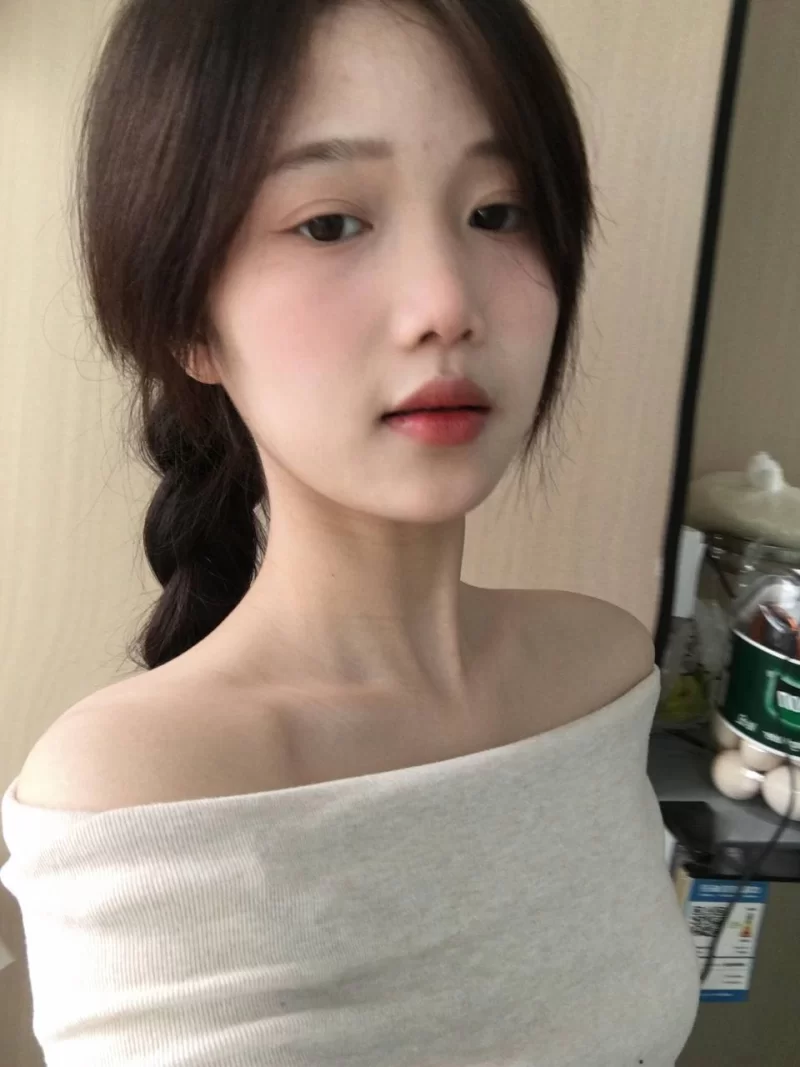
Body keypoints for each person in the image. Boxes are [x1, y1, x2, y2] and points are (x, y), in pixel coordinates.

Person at [0, 0, 700, 1063]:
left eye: (500, 211)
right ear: (188, 320)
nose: (445, 304)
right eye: (329, 223)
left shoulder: (600, 668)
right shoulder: (136, 788)